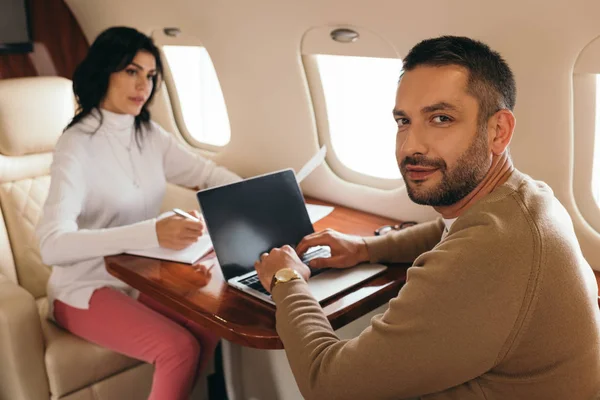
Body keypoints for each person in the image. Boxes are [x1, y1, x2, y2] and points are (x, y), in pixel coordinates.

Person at [254, 36, 600, 399]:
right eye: (404, 121)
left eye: (441, 118)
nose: (410, 146)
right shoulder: (525, 197)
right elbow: (448, 229)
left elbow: (327, 383)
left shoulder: (487, 253)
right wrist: (363, 248)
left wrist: (286, 278)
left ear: (498, 131)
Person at [36, 26, 241, 400]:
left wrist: (251, 197)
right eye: (131, 71)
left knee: (211, 322)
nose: (142, 85)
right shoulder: (75, 146)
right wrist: (152, 232)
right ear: (105, 71)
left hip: (138, 280)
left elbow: (207, 174)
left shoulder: (149, 135)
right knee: (177, 347)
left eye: (150, 75)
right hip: (83, 288)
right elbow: (51, 245)